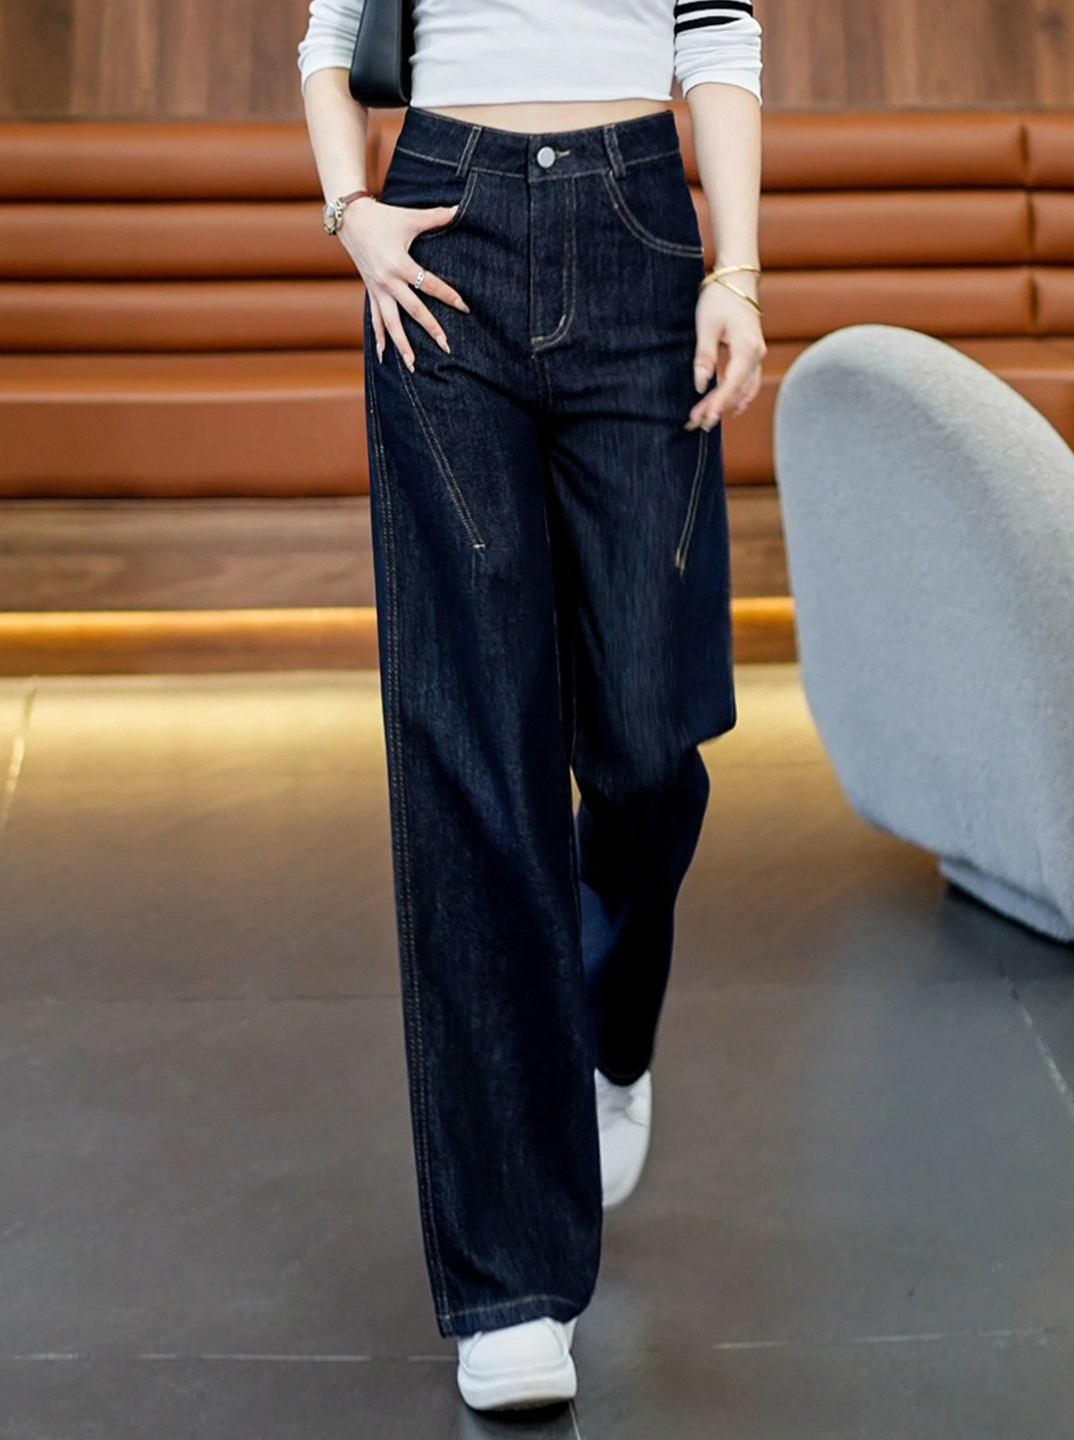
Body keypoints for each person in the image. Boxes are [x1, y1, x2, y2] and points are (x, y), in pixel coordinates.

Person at [298, 0, 765, 1412]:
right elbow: (330, 36)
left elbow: (718, 39)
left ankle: (609, 1024)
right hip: (447, 234)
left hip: (639, 234)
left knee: (647, 746)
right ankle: (510, 1284)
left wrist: (738, 272)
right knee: (476, 758)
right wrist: (353, 214)